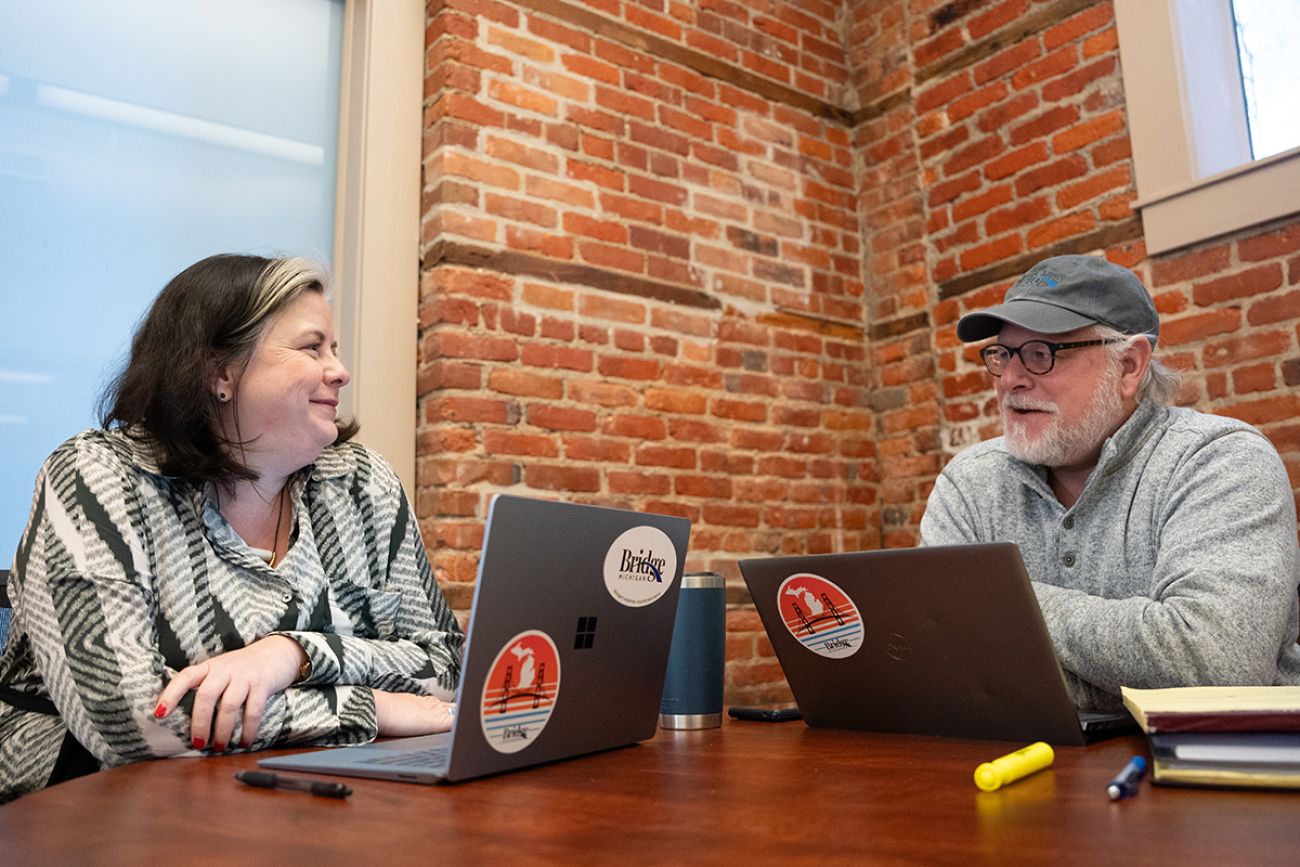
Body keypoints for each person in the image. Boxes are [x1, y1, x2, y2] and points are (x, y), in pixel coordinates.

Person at [0, 254, 463, 802]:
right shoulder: (97, 477)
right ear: (220, 372)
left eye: (334, 349)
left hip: (300, 793)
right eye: (312, 347)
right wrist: (370, 707)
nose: (339, 370)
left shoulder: (361, 481)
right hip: (89, 806)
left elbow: (448, 670)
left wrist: (294, 655)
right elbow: (135, 725)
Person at [920, 254, 1300, 712]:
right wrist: (1130, 687)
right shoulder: (969, 482)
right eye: (1002, 355)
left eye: (1041, 354)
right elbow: (934, 664)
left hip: (1213, 775)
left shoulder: (1218, 460)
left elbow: (1216, 667)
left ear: (1129, 366)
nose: (1011, 380)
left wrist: (995, 600)